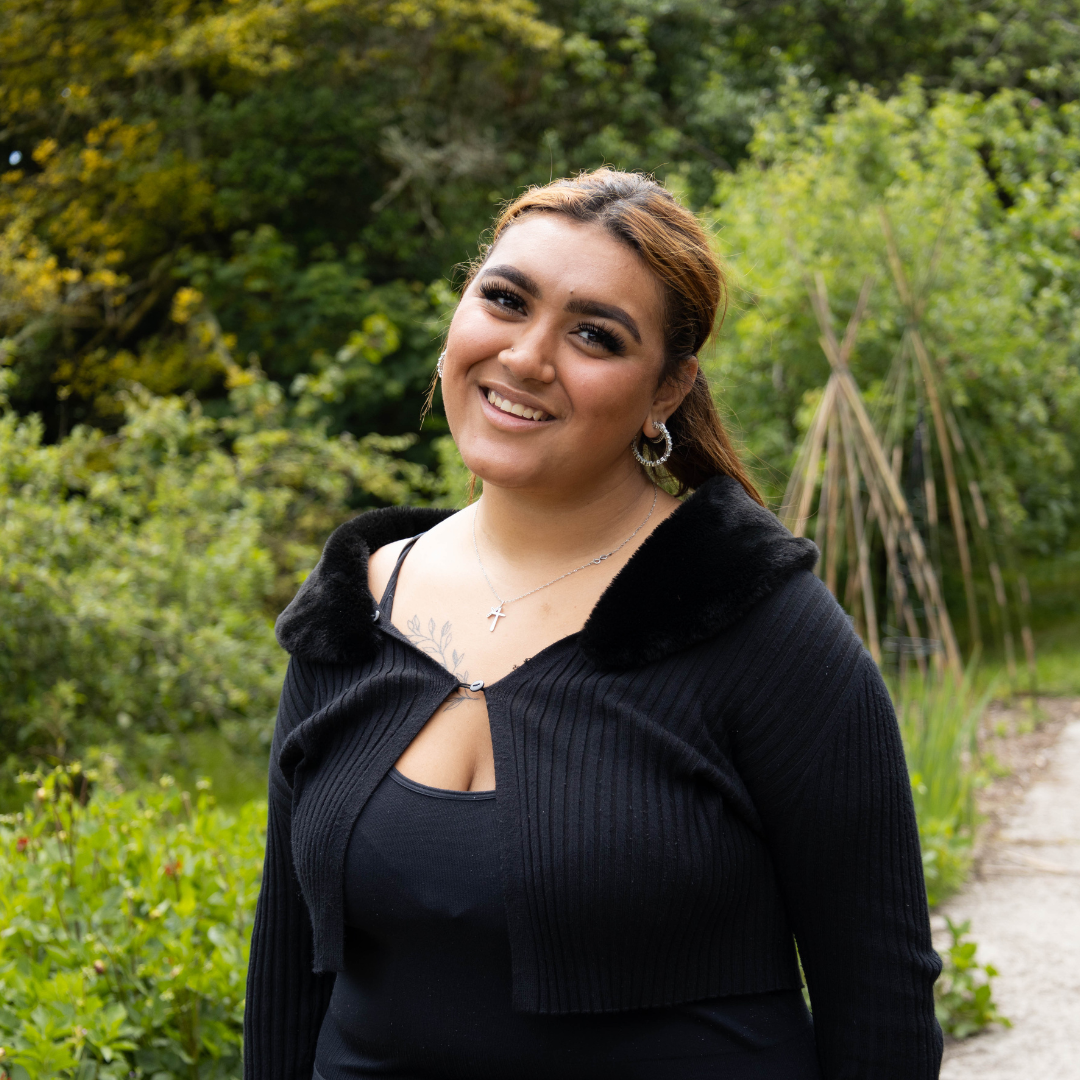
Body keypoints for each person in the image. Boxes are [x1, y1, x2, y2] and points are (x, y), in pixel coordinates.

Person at [244, 168, 942, 1080]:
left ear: (666, 390)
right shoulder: (353, 608)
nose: (528, 357)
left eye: (595, 336)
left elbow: (879, 992)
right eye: (504, 299)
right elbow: (289, 975)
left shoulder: (755, 620)